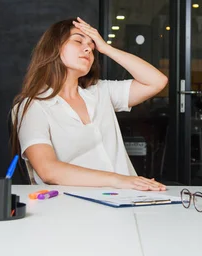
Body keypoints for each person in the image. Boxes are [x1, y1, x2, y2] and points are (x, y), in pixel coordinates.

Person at [11, 17, 168, 191]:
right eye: (78, 41)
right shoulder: (34, 106)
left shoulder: (101, 92)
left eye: (92, 48)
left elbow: (157, 81)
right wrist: (118, 180)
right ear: (53, 47)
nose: (88, 48)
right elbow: (48, 170)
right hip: (73, 207)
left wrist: (106, 48)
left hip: (128, 198)